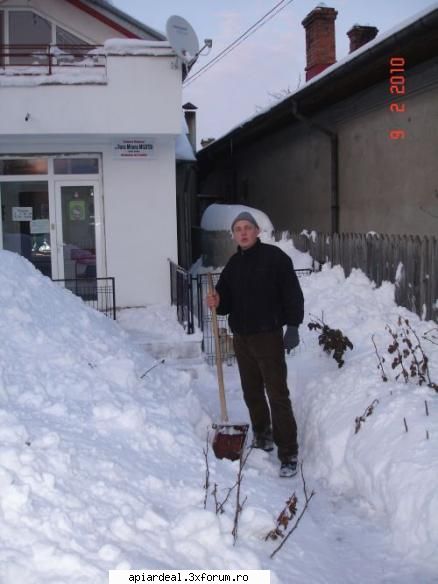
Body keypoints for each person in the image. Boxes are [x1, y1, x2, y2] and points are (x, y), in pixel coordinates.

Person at [207, 211, 304, 477]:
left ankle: (289, 453)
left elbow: (292, 293)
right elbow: (225, 303)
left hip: (268, 336)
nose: (243, 232)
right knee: (252, 391)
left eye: (247, 227)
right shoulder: (233, 265)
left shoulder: (275, 259)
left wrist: (293, 325)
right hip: (242, 337)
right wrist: (217, 300)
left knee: (277, 394)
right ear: (234, 234)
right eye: (238, 228)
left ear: (257, 230)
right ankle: (263, 436)